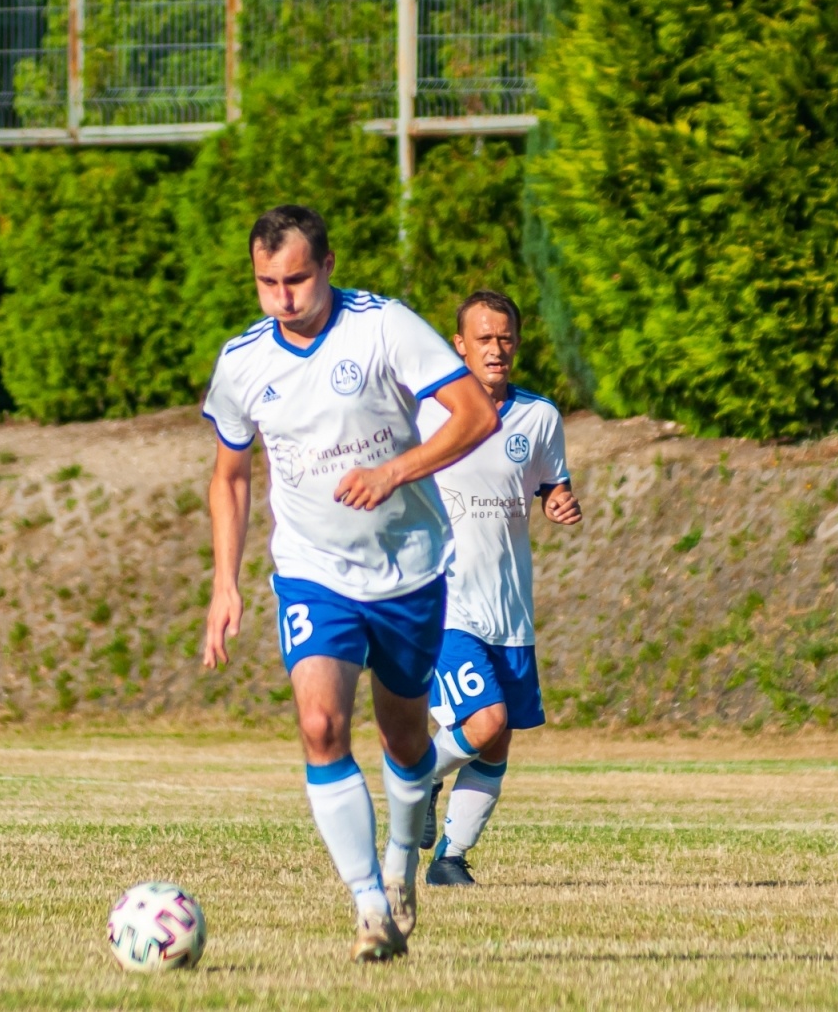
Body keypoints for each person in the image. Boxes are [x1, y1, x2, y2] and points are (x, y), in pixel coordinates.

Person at [200, 205, 499, 963]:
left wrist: (395, 470)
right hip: (311, 573)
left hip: (409, 567)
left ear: (328, 264)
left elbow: (474, 416)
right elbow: (230, 476)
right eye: (268, 282)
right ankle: (369, 905)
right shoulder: (243, 362)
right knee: (321, 727)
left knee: (404, 739)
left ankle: (401, 862)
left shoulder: (383, 327)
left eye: (297, 278)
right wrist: (224, 584)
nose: (284, 297)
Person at [412, 290, 582, 885]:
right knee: (485, 720)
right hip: (443, 603)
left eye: (505, 337)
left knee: (498, 738)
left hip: (510, 609)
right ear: (458, 345)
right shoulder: (425, 413)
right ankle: (420, 779)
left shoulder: (539, 417)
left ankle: (449, 860)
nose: (496, 349)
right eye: (483, 338)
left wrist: (559, 500)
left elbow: (549, 486)